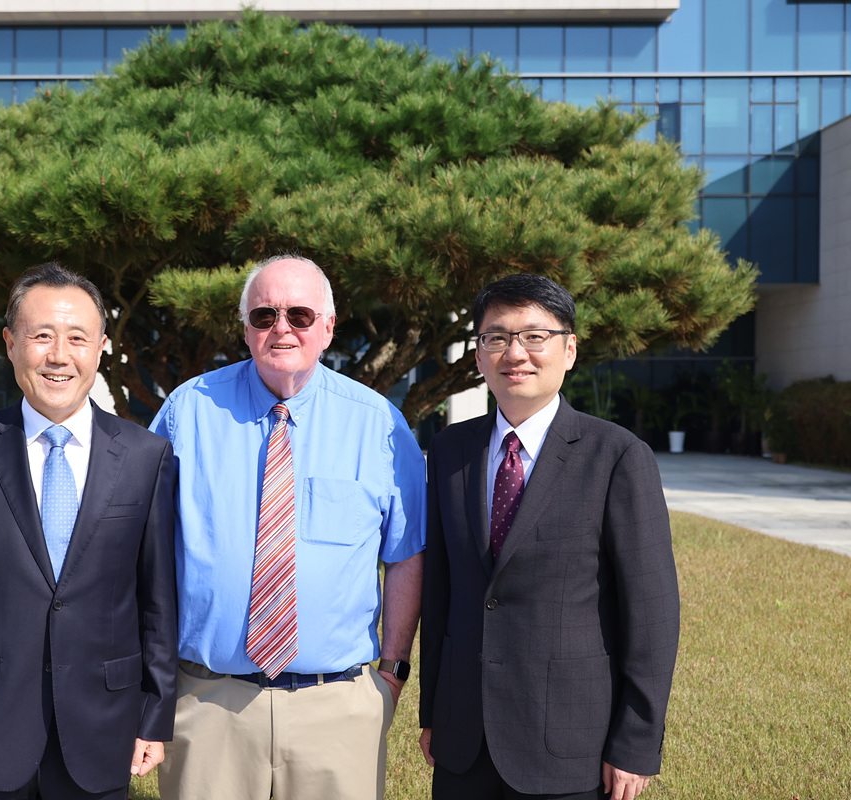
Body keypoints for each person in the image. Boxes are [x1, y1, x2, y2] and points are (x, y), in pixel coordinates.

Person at [150, 254, 426, 800]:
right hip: (207, 702)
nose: (282, 328)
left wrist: (391, 673)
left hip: (336, 709)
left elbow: (406, 553)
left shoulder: (377, 424)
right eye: (264, 316)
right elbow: (143, 547)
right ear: (245, 329)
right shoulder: (188, 412)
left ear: (328, 327)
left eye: (300, 315)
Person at [0, 262, 178, 800]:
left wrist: (156, 715)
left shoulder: (147, 456)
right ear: (10, 344)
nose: (59, 355)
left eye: (77, 337)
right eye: (41, 336)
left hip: (103, 722)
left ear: (101, 348)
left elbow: (157, 604)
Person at [419, 274, 680, 800]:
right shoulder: (450, 452)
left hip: (569, 745)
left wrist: (635, 742)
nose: (515, 353)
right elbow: (440, 594)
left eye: (534, 336)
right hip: (464, 736)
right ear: (478, 355)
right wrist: (434, 711)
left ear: (569, 350)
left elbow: (651, 613)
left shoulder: (617, 456)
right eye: (496, 337)